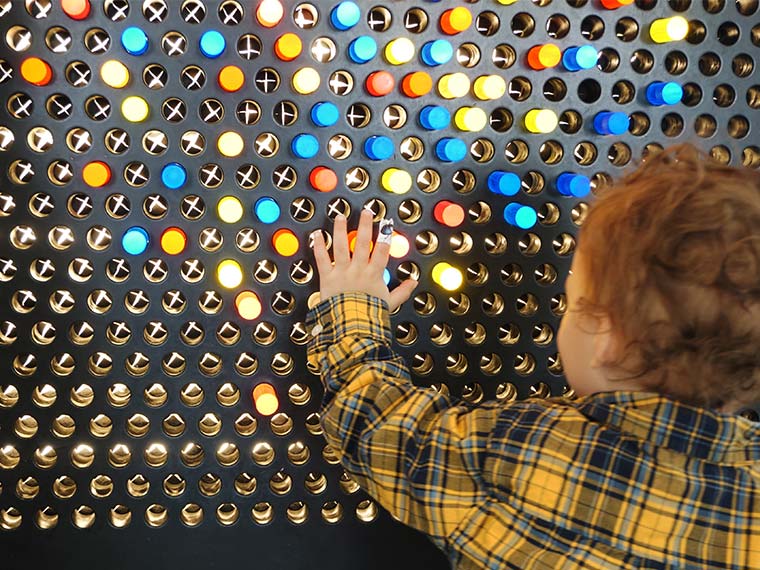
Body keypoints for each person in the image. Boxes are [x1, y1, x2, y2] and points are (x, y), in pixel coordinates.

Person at [305, 143, 760, 569]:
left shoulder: (526, 453)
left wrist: (353, 305)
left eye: (570, 298)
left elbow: (383, 431)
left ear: (604, 337)